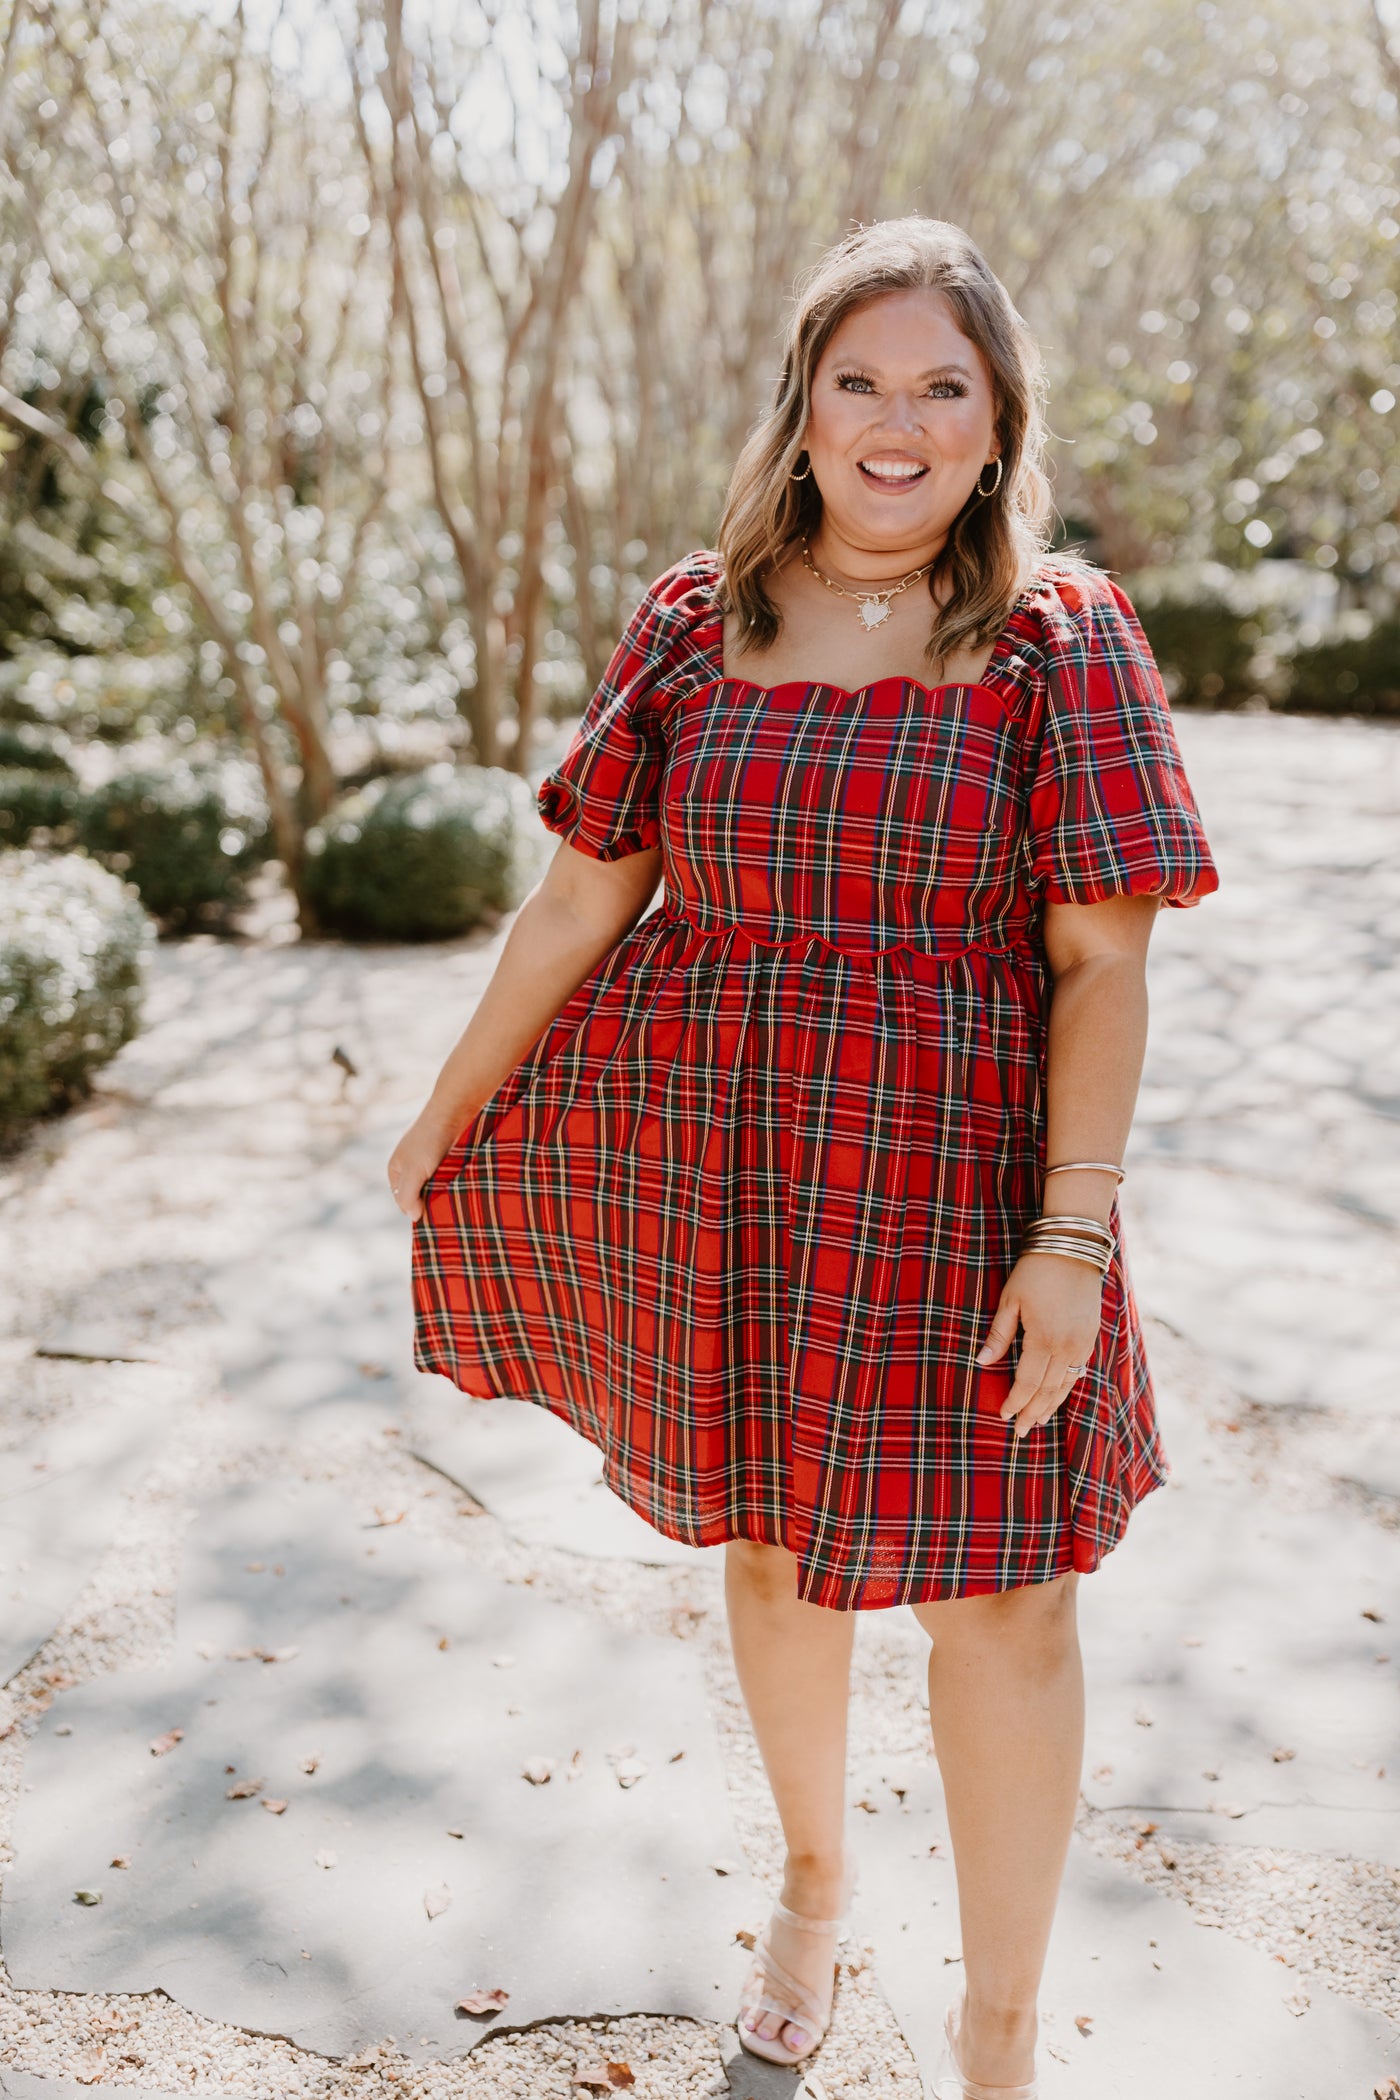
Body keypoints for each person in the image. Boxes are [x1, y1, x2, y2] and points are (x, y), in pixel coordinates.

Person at [391, 214, 1219, 2100]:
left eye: (945, 384)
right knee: (774, 1558)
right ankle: (818, 1886)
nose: (899, 421)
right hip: (723, 1163)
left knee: (1005, 1596)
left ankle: (997, 2027)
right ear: (808, 404)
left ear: (999, 420)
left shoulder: (1055, 633)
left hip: (964, 1176)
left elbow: (1104, 959)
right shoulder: (698, 618)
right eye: (864, 380)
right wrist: (443, 1112)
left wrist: (1072, 1243)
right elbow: (581, 894)